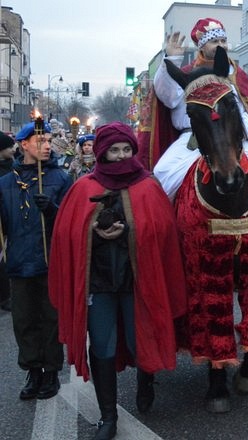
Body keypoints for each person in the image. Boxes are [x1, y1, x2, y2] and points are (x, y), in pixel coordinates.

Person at [48, 122, 187, 440]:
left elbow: (164, 233)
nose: (122, 156)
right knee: (102, 345)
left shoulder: (149, 187)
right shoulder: (84, 187)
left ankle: (145, 379)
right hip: (99, 284)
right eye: (115, 150)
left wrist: (130, 230)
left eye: (127, 150)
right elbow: (66, 234)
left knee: (141, 342)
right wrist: (93, 231)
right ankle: (107, 416)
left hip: (138, 283)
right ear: (102, 152)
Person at [152, 18, 248, 253]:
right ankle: (165, 235)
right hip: (192, 139)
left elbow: (247, 111)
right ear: (201, 46)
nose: (220, 45)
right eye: (214, 41)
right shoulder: (186, 74)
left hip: (233, 137)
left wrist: (239, 129)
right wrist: (170, 60)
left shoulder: (235, 76)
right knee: (161, 175)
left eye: (223, 40)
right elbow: (167, 96)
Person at [0, 121, 72, 401]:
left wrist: (53, 210)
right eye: (41, 141)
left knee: (50, 320)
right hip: (19, 262)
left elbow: (70, 221)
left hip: (50, 261)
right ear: (24, 144)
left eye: (49, 141)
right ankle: (34, 371)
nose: (47, 146)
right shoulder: (6, 183)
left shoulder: (60, 179)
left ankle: (52, 370)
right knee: (25, 321)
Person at [0, 131, 15, 311]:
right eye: (10, 147)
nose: (14, 149)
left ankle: (5, 295)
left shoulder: (13, 167)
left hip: (8, 217)